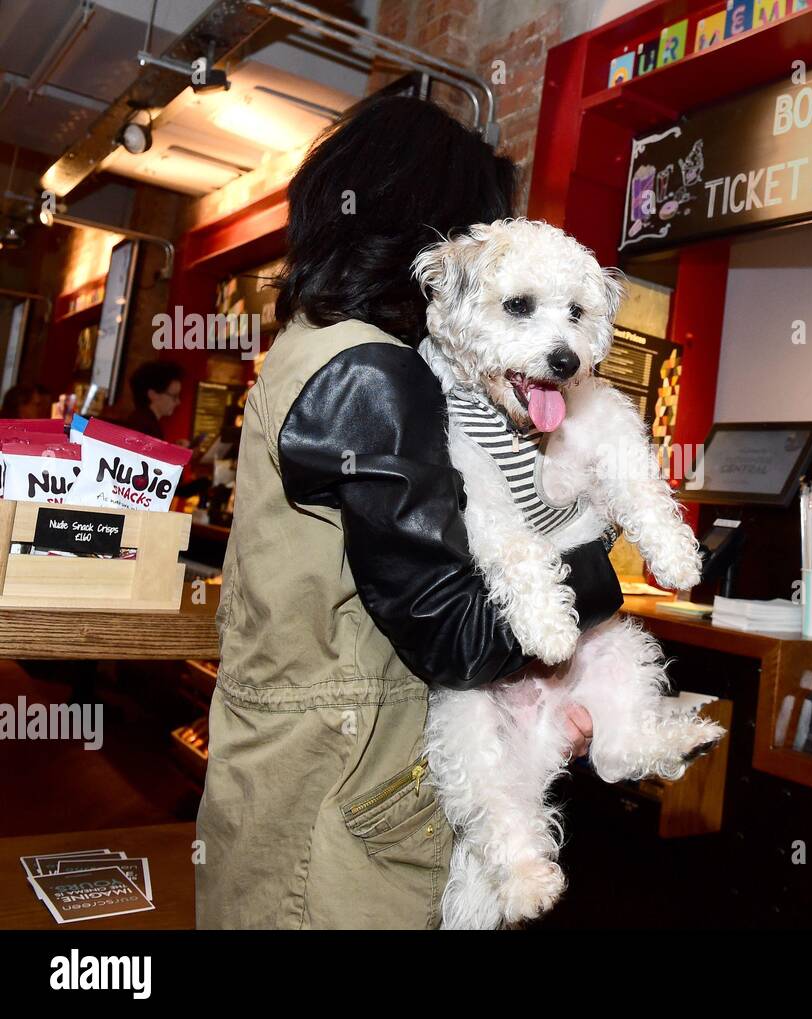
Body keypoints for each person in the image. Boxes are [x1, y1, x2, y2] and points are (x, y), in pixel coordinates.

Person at [195, 95, 622, 929]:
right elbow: (451, 632)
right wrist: (600, 564)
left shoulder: (306, 343)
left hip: (277, 772)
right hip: (342, 800)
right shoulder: (374, 373)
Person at [122, 361, 183, 438]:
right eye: (174, 396)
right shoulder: (145, 427)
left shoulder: (143, 420)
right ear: (153, 394)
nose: (178, 402)